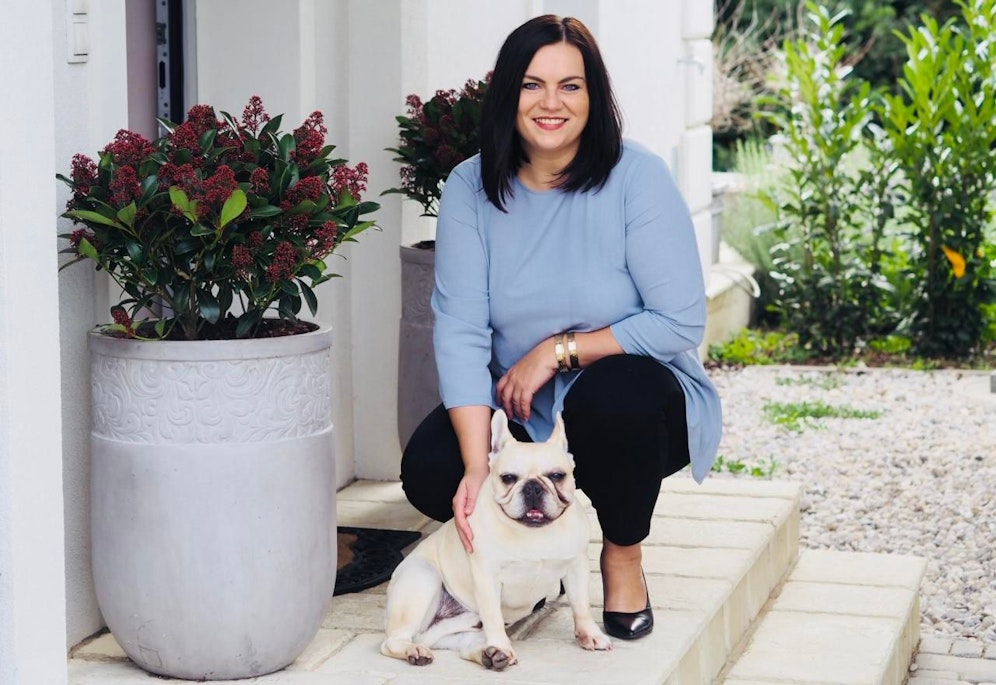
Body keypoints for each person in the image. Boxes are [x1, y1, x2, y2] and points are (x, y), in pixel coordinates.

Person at [400, 14, 722, 641]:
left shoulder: (637, 177)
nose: (551, 103)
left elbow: (680, 320)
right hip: (519, 408)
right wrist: (478, 466)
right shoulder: (470, 186)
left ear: (593, 97)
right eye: (532, 85)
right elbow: (461, 327)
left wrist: (559, 350)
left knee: (616, 399)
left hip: (635, 397)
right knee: (432, 469)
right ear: (507, 96)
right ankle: (534, 555)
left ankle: (622, 554)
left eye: (571, 86)